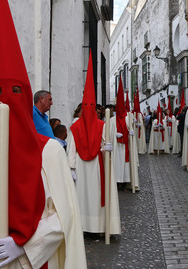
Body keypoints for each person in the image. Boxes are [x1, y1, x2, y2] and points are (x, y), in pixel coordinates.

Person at [0, 0, 87, 267]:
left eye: (15, 92)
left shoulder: (49, 150)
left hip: (29, 258)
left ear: (27, 96)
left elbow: (65, 214)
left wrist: (25, 244)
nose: (6, 101)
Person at [67, 51, 120, 235]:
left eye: (91, 107)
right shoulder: (77, 127)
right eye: (87, 107)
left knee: (93, 196)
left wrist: (108, 148)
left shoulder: (99, 125)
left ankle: (97, 226)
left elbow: (105, 145)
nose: (89, 110)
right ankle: (84, 226)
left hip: (94, 166)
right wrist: (72, 168)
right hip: (85, 168)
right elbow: (72, 149)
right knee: (85, 196)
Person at [109, 78, 139, 192]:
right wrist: (114, 134)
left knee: (126, 165)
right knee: (117, 165)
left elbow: (131, 128)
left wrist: (131, 133)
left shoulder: (128, 117)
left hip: (125, 146)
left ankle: (126, 182)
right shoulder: (112, 120)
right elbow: (107, 133)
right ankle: (117, 183)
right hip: (117, 148)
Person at [133, 90, 147, 154]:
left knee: (139, 140)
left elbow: (142, 122)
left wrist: (140, 124)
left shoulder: (140, 114)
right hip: (134, 130)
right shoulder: (132, 114)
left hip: (139, 130)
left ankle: (140, 149)